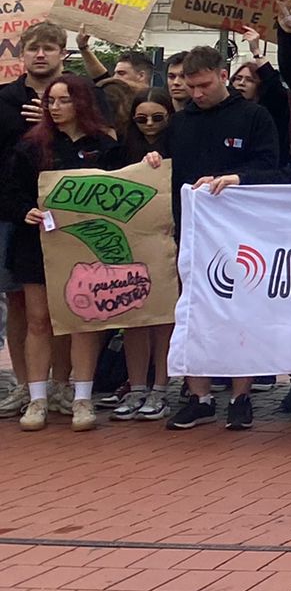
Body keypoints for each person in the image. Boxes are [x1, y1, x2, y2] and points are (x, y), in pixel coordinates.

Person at [155, 45, 283, 431]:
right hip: (190, 233)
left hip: (240, 236)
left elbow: (271, 168)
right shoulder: (179, 123)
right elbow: (160, 165)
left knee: (240, 311)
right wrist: (151, 161)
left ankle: (240, 395)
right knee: (191, 312)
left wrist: (237, 179)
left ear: (223, 76)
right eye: (190, 87)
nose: (196, 94)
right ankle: (200, 395)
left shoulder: (254, 116)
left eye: (204, 85)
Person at [5, 75, 120, 431]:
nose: (55, 108)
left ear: (81, 103)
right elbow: (9, 192)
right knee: (38, 320)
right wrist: (26, 210)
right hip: (37, 245)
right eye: (50, 101)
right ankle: (37, 399)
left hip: (86, 245)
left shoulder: (104, 144)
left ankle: (82, 398)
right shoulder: (30, 146)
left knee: (83, 320)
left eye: (63, 100)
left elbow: (122, 185)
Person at [0, 20, 70, 421]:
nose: (40, 54)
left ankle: (60, 385)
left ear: (63, 54)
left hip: (64, 216)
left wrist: (52, 119)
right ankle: (25, 386)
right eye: (33, 48)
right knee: (19, 301)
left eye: (49, 47)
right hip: (12, 214)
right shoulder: (5, 99)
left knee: (62, 304)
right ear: (22, 55)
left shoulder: (76, 96)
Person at [107, 88, 175, 420]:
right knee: (133, 317)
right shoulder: (121, 149)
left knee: (163, 318)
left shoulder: (181, 145)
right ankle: (136, 387)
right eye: (142, 118)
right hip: (129, 244)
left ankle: (161, 387)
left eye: (158, 117)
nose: (149, 124)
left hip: (167, 241)